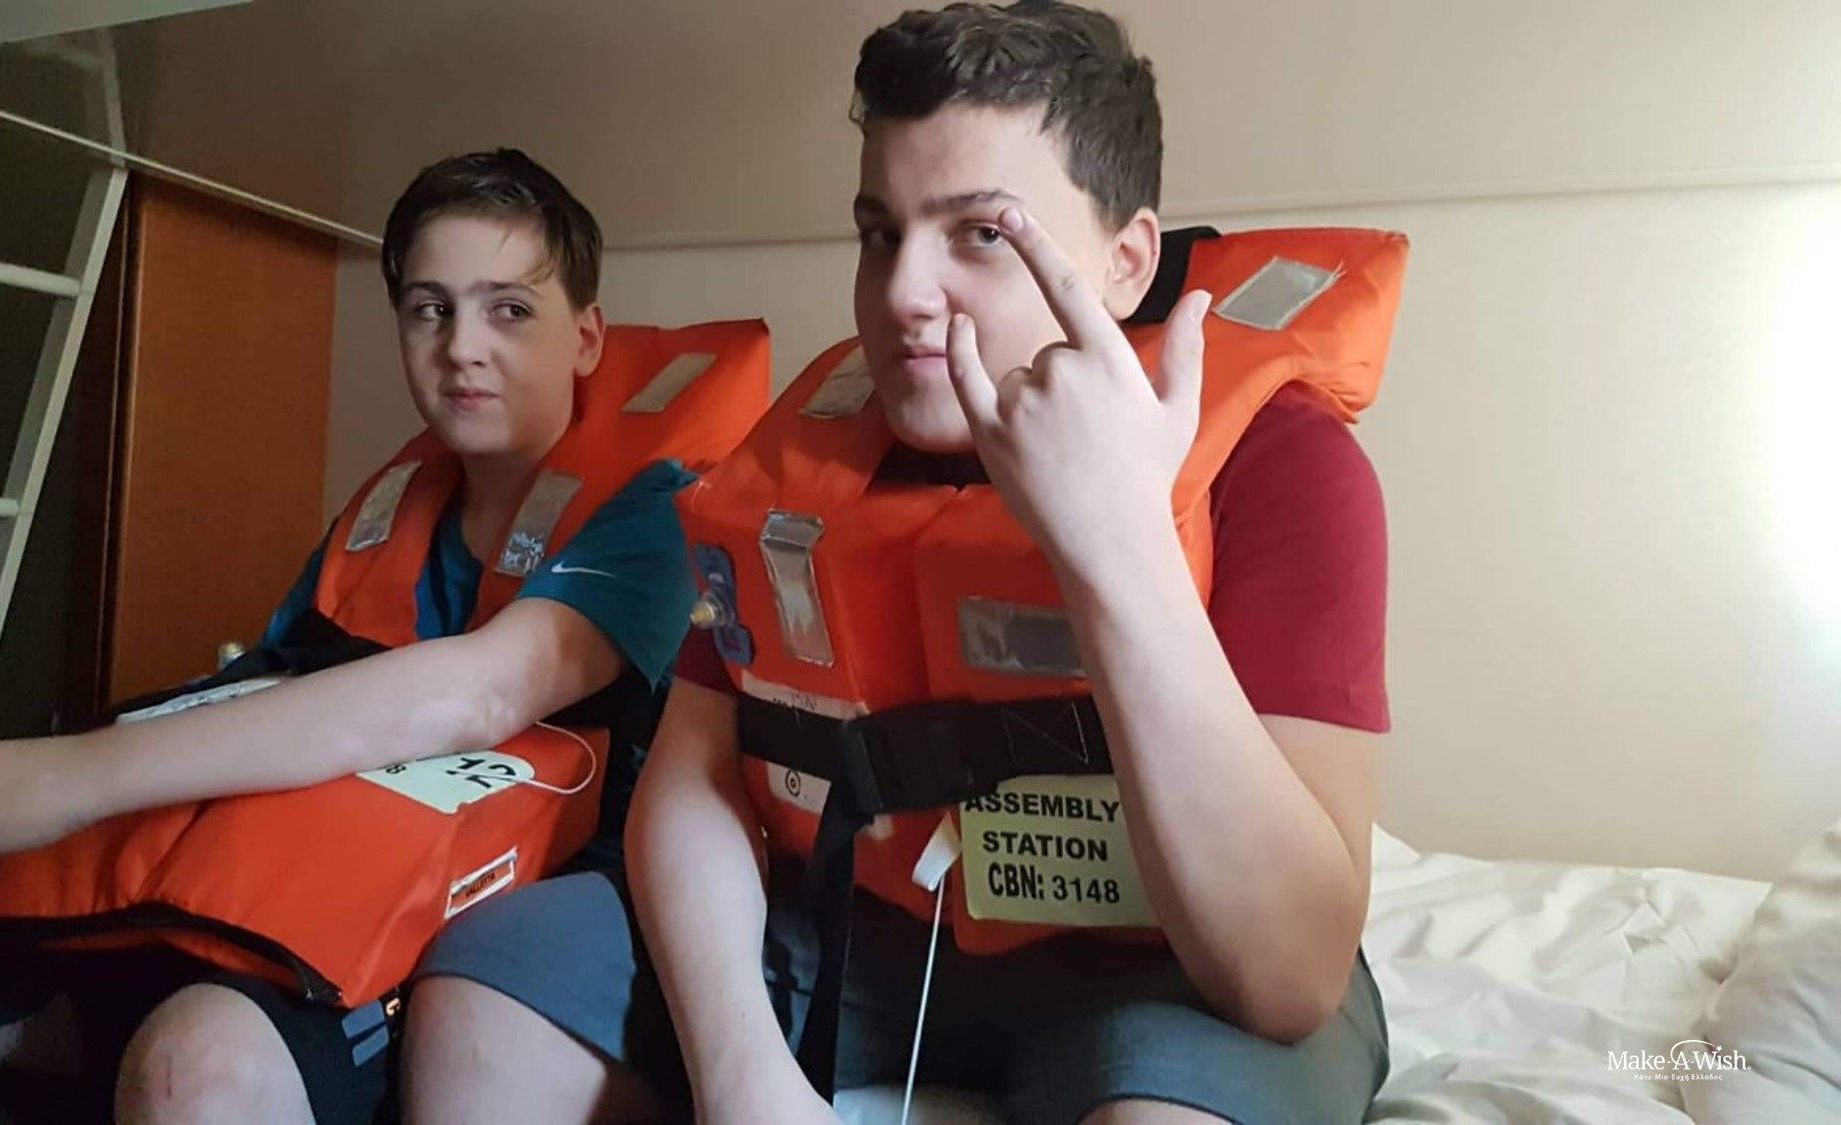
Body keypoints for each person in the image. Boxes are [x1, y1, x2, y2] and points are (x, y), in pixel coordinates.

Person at [399, 4, 1395, 1124]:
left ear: (1124, 262)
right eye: (881, 234)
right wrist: (741, 1074)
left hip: (1159, 967)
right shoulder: (799, 466)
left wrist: (1119, 547)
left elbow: (1286, 977)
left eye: (980, 234)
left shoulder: (1278, 464)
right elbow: (691, 779)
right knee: (476, 1011)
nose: (904, 294)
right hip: (853, 926)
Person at [0, 148, 761, 1125]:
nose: (462, 347)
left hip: (445, 918)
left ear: (585, 338)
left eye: (508, 310)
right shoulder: (392, 512)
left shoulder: (656, 512)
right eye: (430, 309)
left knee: (190, 1071)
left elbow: (481, 691)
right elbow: (260, 699)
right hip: (253, 888)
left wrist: (52, 780)